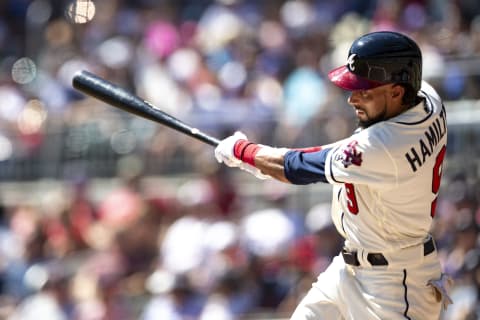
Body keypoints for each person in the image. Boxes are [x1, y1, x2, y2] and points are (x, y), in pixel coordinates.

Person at [214, 31, 453, 320]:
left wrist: (243, 151)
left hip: (395, 287)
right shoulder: (427, 98)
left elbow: (295, 166)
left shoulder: (384, 146)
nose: (352, 99)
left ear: (396, 91)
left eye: (364, 90)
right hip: (351, 268)